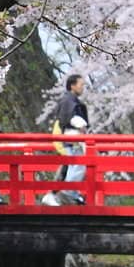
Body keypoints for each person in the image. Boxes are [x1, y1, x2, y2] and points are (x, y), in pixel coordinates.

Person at [50, 74, 90, 205]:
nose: (82, 87)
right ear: (73, 85)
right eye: (81, 84)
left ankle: (71, 193)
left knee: (75, 166)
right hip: (72, 138)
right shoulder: (69, 101)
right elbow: (70, 118)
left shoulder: (69, 100)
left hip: (71, 138)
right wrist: (81, 125)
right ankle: (68, 193)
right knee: (77, 165)